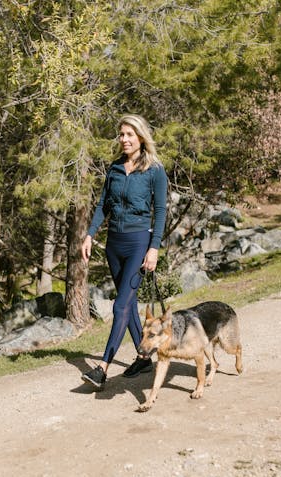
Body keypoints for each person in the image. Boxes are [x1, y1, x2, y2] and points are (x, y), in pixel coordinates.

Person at [80, 114, 168, 389]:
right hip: (114, 245)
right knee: (126, 305)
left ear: (141, 137)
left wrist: (153, 248)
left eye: (129, 134)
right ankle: (143, 358)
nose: (124, 139)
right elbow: (103, 204)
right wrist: (90, 234)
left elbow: (161, 212)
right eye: (121, 134)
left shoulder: (155, 170)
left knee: (120, 305)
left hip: (139, 242)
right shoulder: (115, 168)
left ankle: (102, 368)